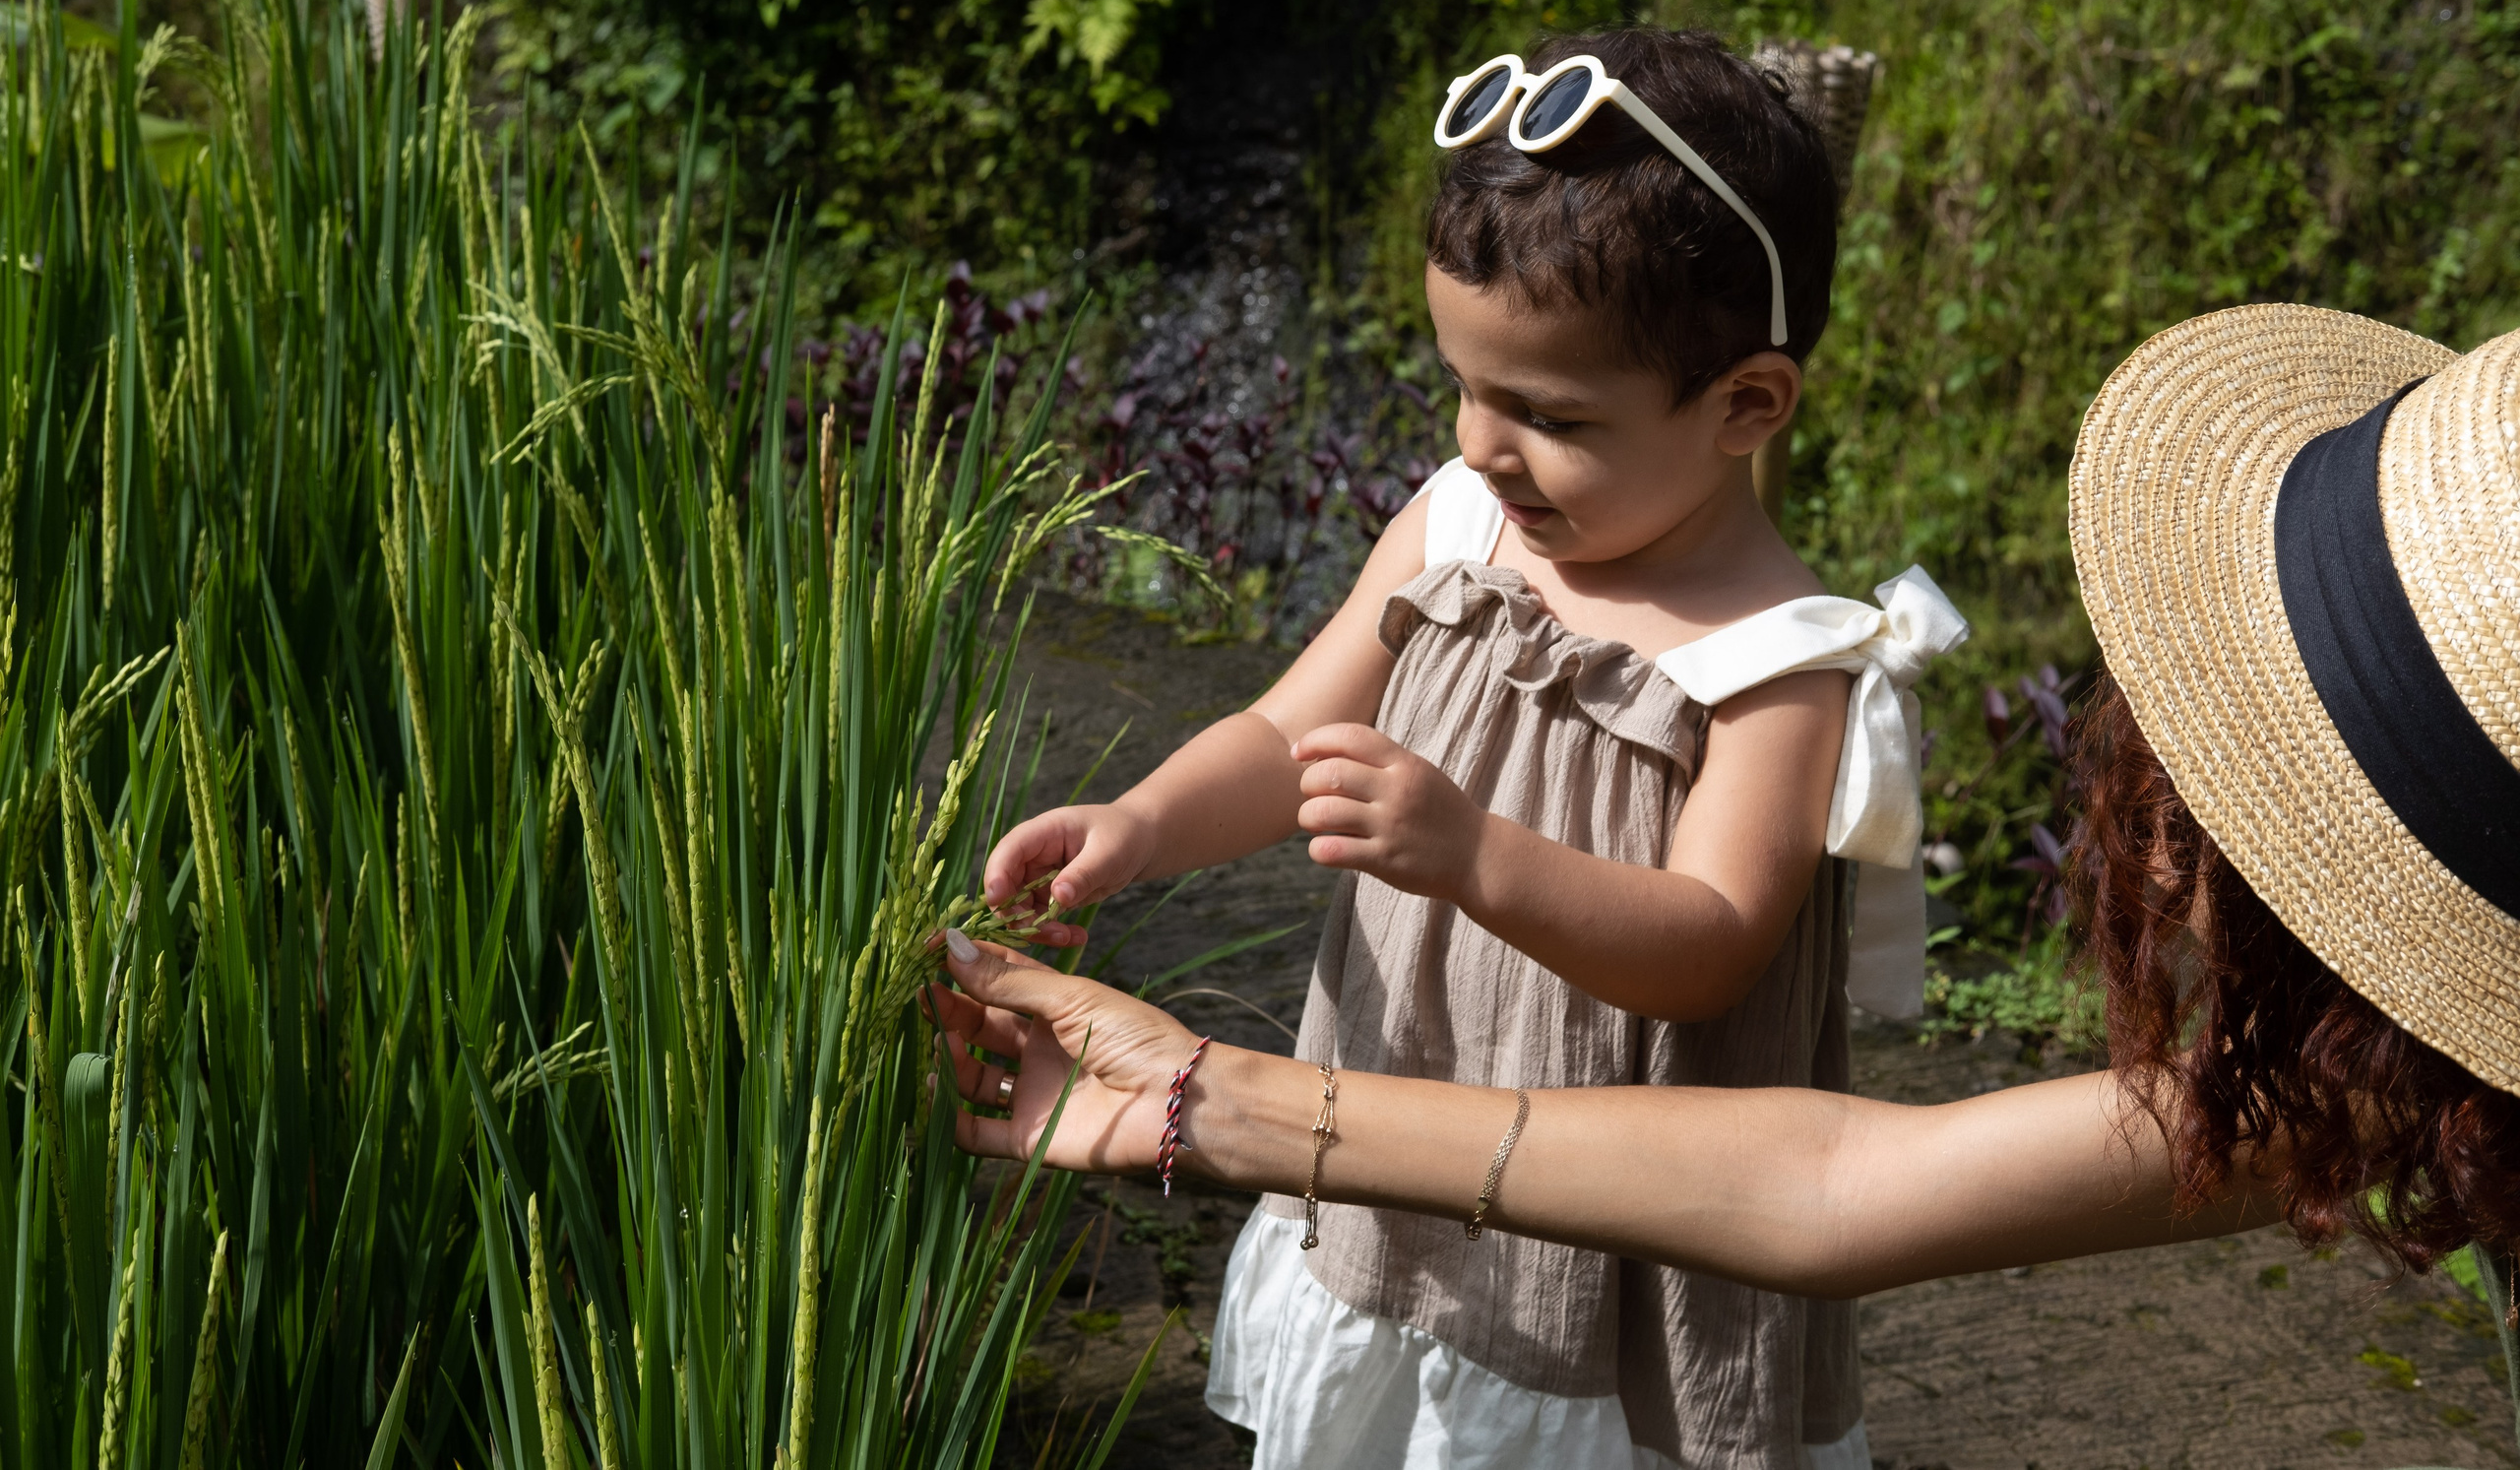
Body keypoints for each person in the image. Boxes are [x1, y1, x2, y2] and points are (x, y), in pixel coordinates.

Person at [936, 303, 2520, 1411]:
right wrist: (1192, 1086)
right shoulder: (2383, 1076)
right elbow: (1833, 1182)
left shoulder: (1774, 664)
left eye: (2232, 744)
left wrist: (1445, 880)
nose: (2160, 816)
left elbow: (1736, 999)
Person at [978, 30, 1965, 1470]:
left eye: (1552, 416)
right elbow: (1285, 730)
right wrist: (1143, 822)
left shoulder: (1776, 664)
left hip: (1606, 1221)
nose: (1486, 444)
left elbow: (1709, 946)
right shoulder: (1461, 523)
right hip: (1391, 1135)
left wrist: (1476, 854)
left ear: (1746, 406)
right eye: (1467, 385)